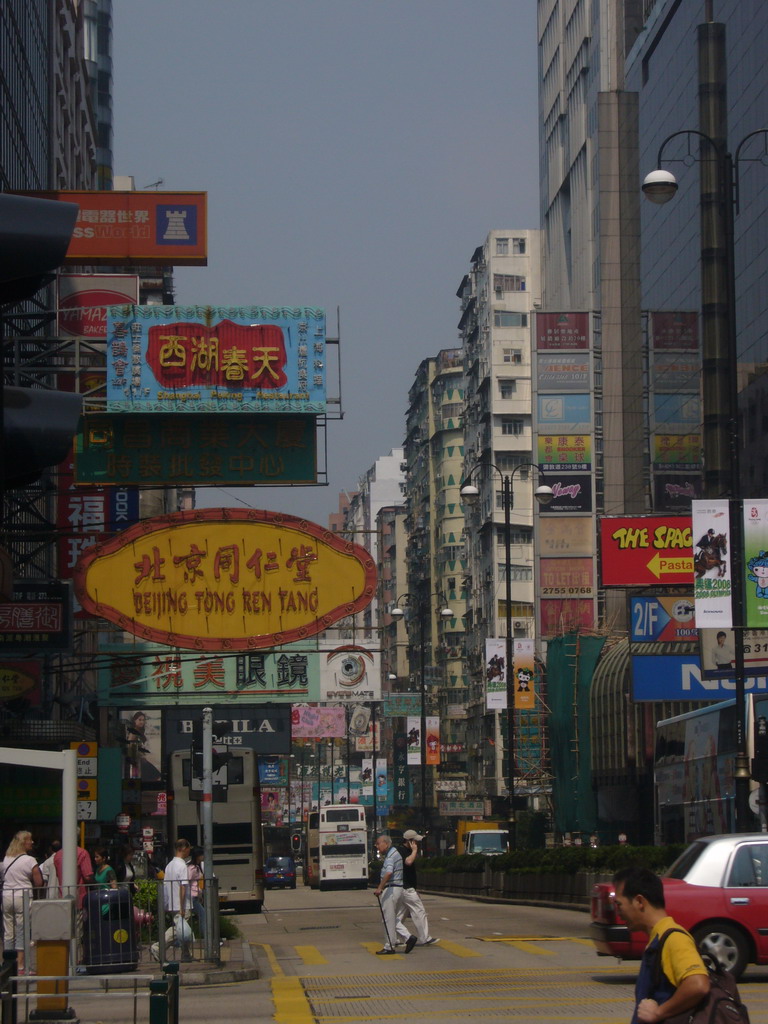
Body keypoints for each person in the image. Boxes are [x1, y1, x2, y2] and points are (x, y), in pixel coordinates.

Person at [612, 866, 709, 1023]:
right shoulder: (658, 939)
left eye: (619, 904)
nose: (618, 912)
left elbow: (698, 985)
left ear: (639, 901)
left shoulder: (674, 939)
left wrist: (659, 1012)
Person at [1, 830, 43, 974]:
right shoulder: (30, 860)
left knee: (8, 931)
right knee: (22, 930)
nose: (32, 842)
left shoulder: (7, 858)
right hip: (23, 896)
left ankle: (7, 964)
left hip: (7, 896)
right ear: (23, 842)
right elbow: (38, 882)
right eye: (30, 840)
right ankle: (20, 965)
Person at [373, 835, 414, 955]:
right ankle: (408, 937)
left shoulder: (390, 856)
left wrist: (380, 888)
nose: (377, 846)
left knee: (387, 919)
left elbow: (389, 872)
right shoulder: (394, 853)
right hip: (397, 889)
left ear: (385, 843)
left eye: (378, 843)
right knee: (390, 918)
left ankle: (389, 946)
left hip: (391, 889)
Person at [151, 838, 192, 961]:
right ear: (183, 848)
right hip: (181, 904)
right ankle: (158, 947)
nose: (190, 850)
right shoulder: (182, 866)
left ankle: (186, 954)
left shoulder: (169, 865)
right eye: (189, 848)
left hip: (172, 902)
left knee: (183, 929)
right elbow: (182, 887)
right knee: (178, 930)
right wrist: (182, 907)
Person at [395, 829, 437, 948]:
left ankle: (393, 938)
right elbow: (408, 862)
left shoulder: (405, 850)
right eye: (415, 841)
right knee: (419, 911)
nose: (417, 844)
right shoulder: (402, 851)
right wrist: (414, 851)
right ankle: (425, 938)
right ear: (409, 841)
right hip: (405, 888)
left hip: (406, 888)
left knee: (400, 915)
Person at [188, 847, 206, 941]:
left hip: (195, 895)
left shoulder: (198, 867)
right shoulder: (192, 868)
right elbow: (187, 881)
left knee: (198, 915)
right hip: (191, 896)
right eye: (202, 854)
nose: (203, 856)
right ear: (198, 856)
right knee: (203, 914)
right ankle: (206, 937)